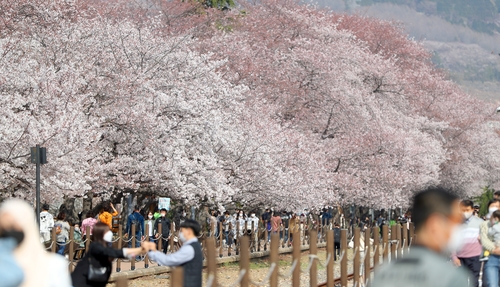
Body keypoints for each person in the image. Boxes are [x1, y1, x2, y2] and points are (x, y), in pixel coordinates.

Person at [370, 187, 471, 287]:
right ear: (435, 224)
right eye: (456, 222)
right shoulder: (450, 277)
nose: (458, 228)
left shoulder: (383, 272)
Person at [1, 199, 71, 287]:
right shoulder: (55, 265)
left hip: (40, 231)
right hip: (46, 232)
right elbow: (51, 225)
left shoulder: (38, 215)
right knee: (47, 247)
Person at [71, 222, 143, 287]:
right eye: (107, 231)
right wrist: (140, 249)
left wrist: (139, 252)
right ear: (100, 233)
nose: (110, 233)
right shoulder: (95, 246)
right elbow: (113, 252)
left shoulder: (107, 247)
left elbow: (118, 254)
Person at [143, 219, 203, 287]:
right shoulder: (195, 245)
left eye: (182, 231)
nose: (181, 233)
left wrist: (152, 251)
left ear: (189, 231)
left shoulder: (190, 248)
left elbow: (169, 260)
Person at [451, 199, 483, 287]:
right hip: (460, 257)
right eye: (463, 210)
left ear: (473, 209)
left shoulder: (480, 223)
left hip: (475, 257)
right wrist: (454, 257)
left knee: (474, 281)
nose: (465, 212)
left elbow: (485, 239)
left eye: (467, 210)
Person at [480, 199, 500, 287]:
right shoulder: (484, 224)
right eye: (492, 206)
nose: (495, 209)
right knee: (492, 284)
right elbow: (484, 240)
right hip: (492, 257)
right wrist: (495, 249)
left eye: (497, 206)